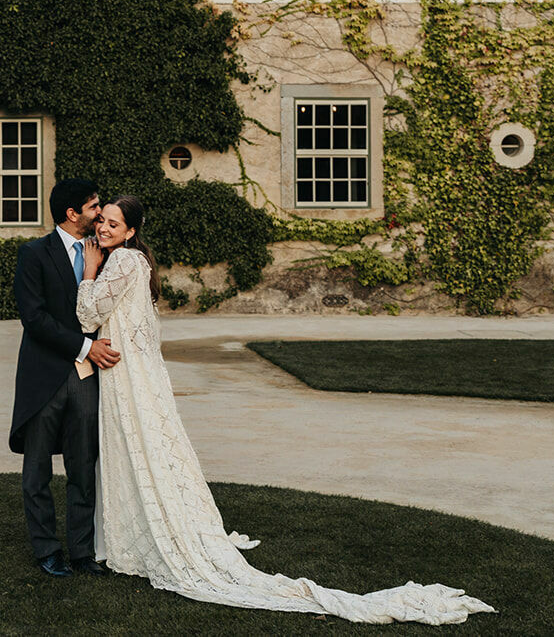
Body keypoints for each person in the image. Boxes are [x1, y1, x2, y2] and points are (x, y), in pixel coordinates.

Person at [76, 195, 495, 625]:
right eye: (101, 221)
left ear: (130, 232)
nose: (103, 228)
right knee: (143, 450)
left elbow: (88, 313)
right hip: (134, 371)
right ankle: (133, 532)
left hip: (125, 373)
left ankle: (130, 538)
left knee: (134, 447)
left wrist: (89, 270)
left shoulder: (122, 261)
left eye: (112, 223)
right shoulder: (134, 261)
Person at [8, 178, 121, 578]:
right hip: (45, 377)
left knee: (83, 466)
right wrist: (85, 347)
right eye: (93, 207)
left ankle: (82, 551)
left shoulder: (107, 255)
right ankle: (46, 549)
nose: (99, 213)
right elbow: (34, 319)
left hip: (89, 379)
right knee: (37, 469)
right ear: (72, 214)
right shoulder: (33, 254)